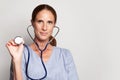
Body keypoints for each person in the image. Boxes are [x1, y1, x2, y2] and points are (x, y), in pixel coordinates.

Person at [6, 4, 79, 80]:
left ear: (54, 25)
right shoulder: (21, 53)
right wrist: (17, 60)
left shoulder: (65, 55)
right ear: (32, 23)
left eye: (49, 22)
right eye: (40, 21)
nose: (44, 28)